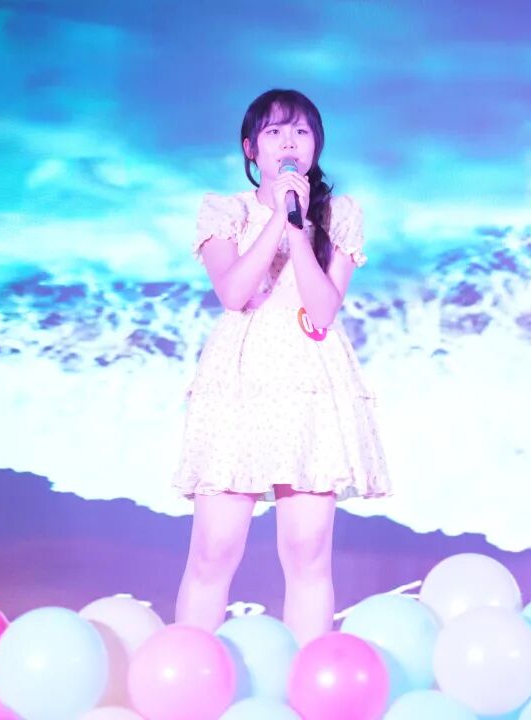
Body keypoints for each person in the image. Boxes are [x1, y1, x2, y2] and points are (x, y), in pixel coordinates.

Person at [173, 89, 390, 645]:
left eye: (301, 131)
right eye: (274, 132)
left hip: (310, 384)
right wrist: (276, 216)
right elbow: (234, 293)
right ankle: (191, 677)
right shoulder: (224, 211)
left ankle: (305, 677)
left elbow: (323, 310)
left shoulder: (338, 215)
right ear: (251, 148)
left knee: (307, 552)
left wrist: (299, 228)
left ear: (316, 145)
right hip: (240, 384)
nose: (289, 142)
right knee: (214, 550)